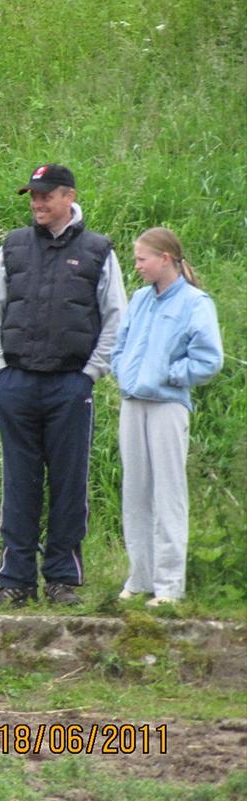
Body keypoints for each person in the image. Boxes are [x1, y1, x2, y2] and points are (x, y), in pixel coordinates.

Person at [0, 164, 127, 607]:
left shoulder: (99, 251)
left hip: (70, 384)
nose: (37, 204)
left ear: (68, 197)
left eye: (45, 196)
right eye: (33, 197)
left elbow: (116, 316)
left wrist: (90, 373)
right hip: (17, 382)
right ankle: (15, 581)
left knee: (69, 483)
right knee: (18, 483)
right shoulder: (12, 247)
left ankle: (63, 579)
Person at [111, 228, 223, 606]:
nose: (137, 265)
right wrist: (123, 371)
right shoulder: (141, 299)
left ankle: (169, 586)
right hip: (133, 403)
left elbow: (209, 359)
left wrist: (170, 376)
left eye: (143, 259)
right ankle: (139, 578)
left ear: (165, 259)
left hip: (167, 406)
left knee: (168, 493)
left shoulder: (194, 302)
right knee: (136, 491)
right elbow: (121, 343)